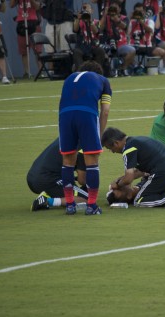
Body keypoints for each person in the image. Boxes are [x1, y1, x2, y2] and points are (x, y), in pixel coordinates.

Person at [58, 60, 112, 215]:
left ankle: (69, 204)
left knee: (67, 161)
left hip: (65, 116)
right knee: (91, 161)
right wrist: (99, 134)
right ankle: (92, 206)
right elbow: (106, 110)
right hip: (86, 115)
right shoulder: (103, 80)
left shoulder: (69, 78)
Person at [28, 138, 88, 211]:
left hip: (33, 176)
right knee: (87, 198)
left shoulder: (69, 134)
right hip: (47, 179)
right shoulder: (84, 145)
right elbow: (82, 180)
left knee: (75, 187)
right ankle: (47, 200)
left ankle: (50, 194)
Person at [127, 2, 165, 72]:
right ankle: (135, 66)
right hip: (133, 45)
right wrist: (132, 19)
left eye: (141, 11)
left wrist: (142, 22)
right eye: (137, 12)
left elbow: (150, 30)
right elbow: (128, 34)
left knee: (162, 52)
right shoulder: (132, 21)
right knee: (126, 51)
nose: (139, 13)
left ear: (144, 12)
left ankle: (149, 67)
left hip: (146, 45)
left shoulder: (149, 21)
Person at [99, 1, 135, 76]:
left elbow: (124, 27)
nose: (113, 10)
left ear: (120, 9)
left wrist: (116, 18)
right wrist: (105, 15)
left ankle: (123, 69)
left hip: (121, 45)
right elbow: (100, 28)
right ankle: (107, 72)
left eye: (116, 8)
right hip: (108, 44)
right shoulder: (106, 18)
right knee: (100, 51)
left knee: (132, 50)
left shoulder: (124, 18)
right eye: (112, 8)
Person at [10, 0, 43, 78]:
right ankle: (27, 72)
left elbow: (38, 6)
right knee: (23, 50)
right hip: (21, 22)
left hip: (33, 21)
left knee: (37, 49)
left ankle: (41, 71)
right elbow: (11, 5)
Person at [72, 3, 106, 71]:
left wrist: (90, 21)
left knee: (101, 51)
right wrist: (78, 19)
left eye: (88, 8)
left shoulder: (97, 22)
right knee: (76, 52)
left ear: (92, 11)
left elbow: (96, 31)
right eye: (84, 9)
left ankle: (97, 71)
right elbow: (75, 30)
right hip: (81, 46)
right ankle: (81, 72)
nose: (86, 10)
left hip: (93, 46)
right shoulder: (78, 21)